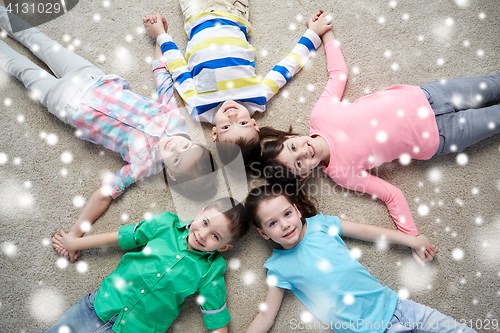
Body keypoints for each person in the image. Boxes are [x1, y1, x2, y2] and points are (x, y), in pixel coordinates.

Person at [0, 8, 218, 261]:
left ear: (170, 172)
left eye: (177, 159)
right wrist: (160, 36)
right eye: (187, 147)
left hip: (67, 104)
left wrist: (76, 235)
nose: (175, 147)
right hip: (92, 77)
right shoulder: (174, 118)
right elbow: (162, 75)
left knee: (18, 67)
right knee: (39, 40)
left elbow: (105, 193)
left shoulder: (145, 165)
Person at [257, 17, 500, 237]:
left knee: (492, 85)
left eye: (292, 147)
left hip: (430, 95)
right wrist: (411, 237)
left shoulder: (320, 115)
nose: (303, 152)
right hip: (441, 136)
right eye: (299, 163)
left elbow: (338, 74)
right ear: (306, 174)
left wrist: (327, 35)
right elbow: (390, 195)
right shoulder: (342, 174)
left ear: (290, 135)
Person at [243, 184, 479, 333]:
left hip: (397, 307)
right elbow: (266, 315)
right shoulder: (278, 267)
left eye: (286, 214)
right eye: (272, 223)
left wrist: (413, 240)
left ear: (296, 210)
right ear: (263, 233)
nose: (284, 225)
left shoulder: (320, 225)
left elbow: (367, 232)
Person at [142, 6, 333, 167]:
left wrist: (161, 36)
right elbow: (287, 67)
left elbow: (178, 70)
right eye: (242, 123)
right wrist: (313, 34)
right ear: (254, 124)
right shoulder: (257, 97)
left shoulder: (199, 107)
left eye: (226, 126)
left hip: (197, 16)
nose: (232, 115)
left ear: (214, 133)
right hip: (234, 11)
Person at [48, 197, 248, 333]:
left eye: (215, 236)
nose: (203, 235)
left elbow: (217, 316)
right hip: (99, 306)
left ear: (224, 247)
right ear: (200, 212)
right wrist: (75, 243)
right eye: (205, 223)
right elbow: (122, 237)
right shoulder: (166, 223)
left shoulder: (211, 269)